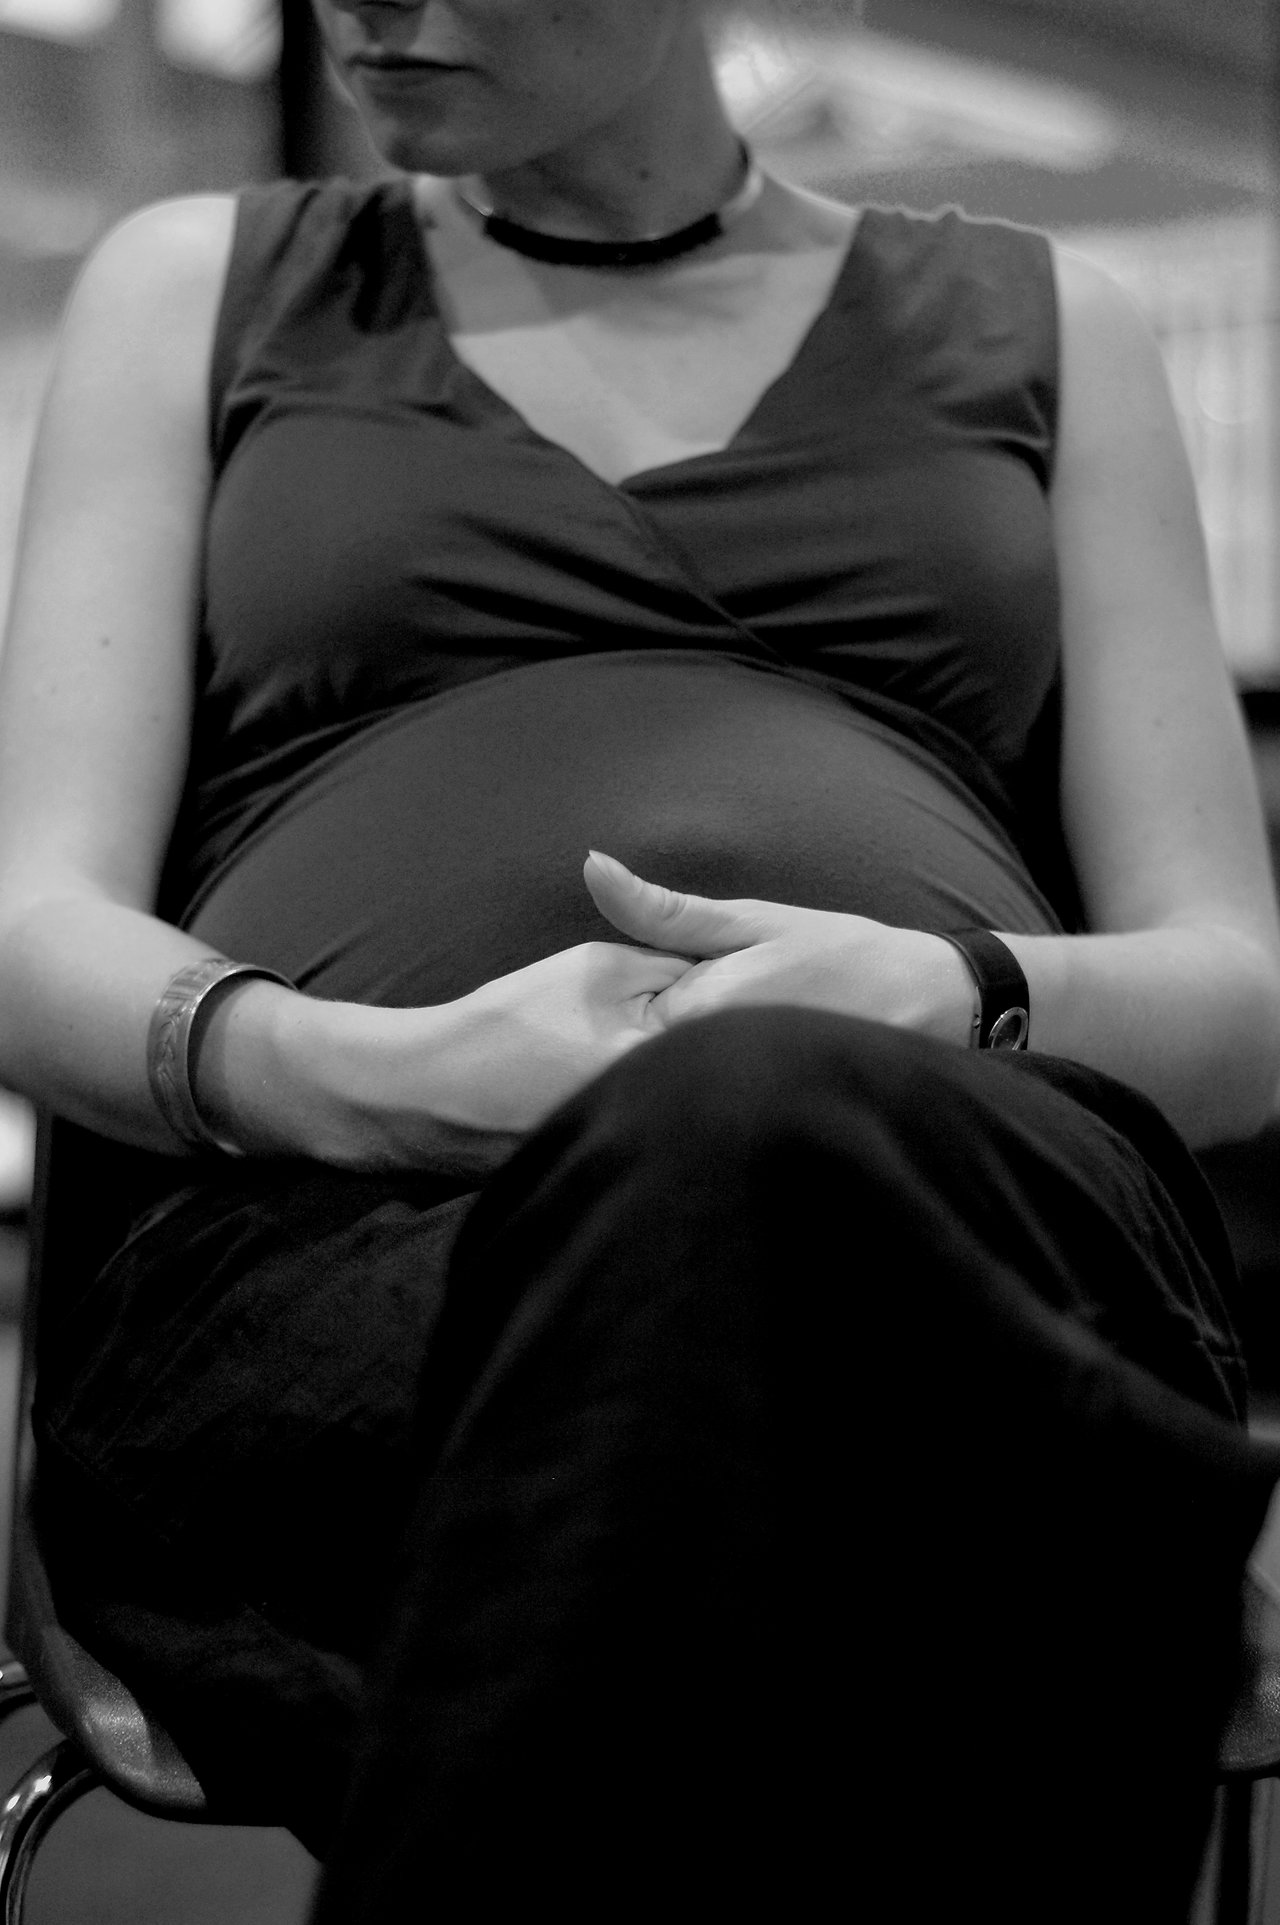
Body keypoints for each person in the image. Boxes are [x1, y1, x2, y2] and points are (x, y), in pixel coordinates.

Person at [0, 0, 1278, 1915]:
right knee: (782, 1294)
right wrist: (386, 1076)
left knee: (759, 1158)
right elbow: (27, 923)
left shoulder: (1046, 325)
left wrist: (959, 995)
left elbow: (1241, 995)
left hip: (963, 1202)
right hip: (336, 1251)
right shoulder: (203, 292)